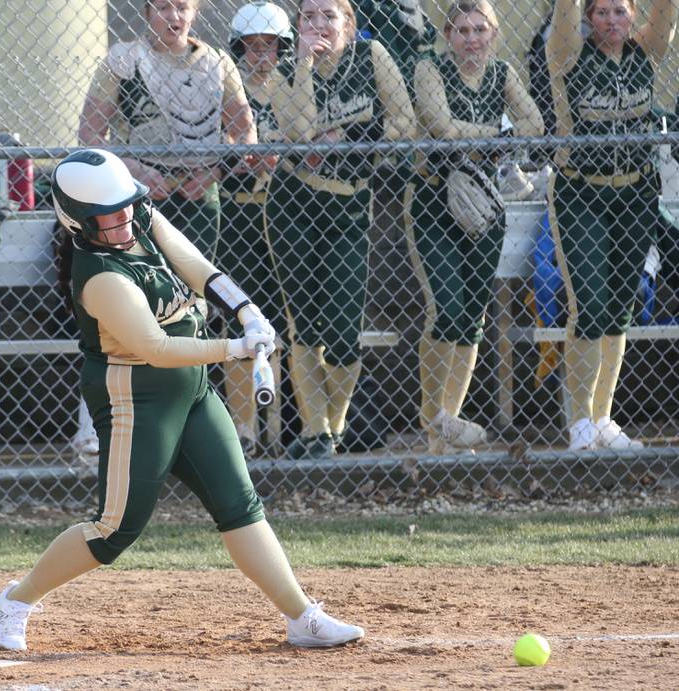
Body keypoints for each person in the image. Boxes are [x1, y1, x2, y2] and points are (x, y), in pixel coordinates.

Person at [0, 149, 364, 651]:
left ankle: (302, 616)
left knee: (240, 506)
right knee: (114, 531)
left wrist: (246, 311)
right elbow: (155, 348)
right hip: (135, 399)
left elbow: (195, 265)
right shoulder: (98, 274)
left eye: (126, 206)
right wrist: (235, 348)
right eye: (109, 214)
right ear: (79, 222)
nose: (124, 219)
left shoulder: (136, 218)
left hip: (190, 390)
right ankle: (16, 599)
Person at [264, 0, 417, 459]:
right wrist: (307, 63)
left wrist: (348, 142)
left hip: (349, 199)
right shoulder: (284, 68)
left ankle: (336, 421)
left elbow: (404, 121)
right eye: (309, 17)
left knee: (344, 329)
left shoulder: (372, 57)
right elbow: (300, 129)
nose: (318, 25)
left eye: (329, 16)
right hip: (293, 201)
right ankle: (316, 433)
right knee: (303, 324)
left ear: (348, 23)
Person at [409, 0, 544, 454]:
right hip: (435, 198)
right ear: (448, 35)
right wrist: (496, 136)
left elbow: (534, 122)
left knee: (472, 318)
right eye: (462, 30)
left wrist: (493, 139)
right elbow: (441, 128)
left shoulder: (502, 72)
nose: (470, 38)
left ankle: (448, 424)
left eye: (479, 30)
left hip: (483, 200)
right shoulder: (429, 68)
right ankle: (434, 421)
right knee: (445, 307)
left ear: (493, 34)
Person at [546, 0, 678, 449]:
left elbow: (667, 12)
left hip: (635, 192)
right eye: (600, 11)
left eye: (620, 11)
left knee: (619, 307)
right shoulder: (569, 52)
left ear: (634, 14)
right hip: (582, 191)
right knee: (589, 304)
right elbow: (565, 19)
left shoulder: (645, 52)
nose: (611, 21)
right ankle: (578, 421)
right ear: (588, 15)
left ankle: (602, 418)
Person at [77, 0, 258, 260]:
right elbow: (89, 135)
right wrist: (133, 169)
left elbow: (245, 134)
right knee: (144, 283)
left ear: (194, 13)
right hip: (136, 192)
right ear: (148, 12)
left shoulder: (218, 63)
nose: (173, 16)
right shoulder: (123, 61)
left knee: (195, 285)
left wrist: (215, 171)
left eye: (182, 7)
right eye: (163, 7)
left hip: (199, 191)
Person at [218, 1, 293, 458]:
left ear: (283, 49)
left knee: (281, 321)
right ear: (239, 49)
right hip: (239, 215)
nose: (261, 55)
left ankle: (277, 429)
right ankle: (243, 428)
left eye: (270, 47)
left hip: (282, 213)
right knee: (239, 320)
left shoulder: (293, 87)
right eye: (253, 46)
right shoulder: (230, 87)